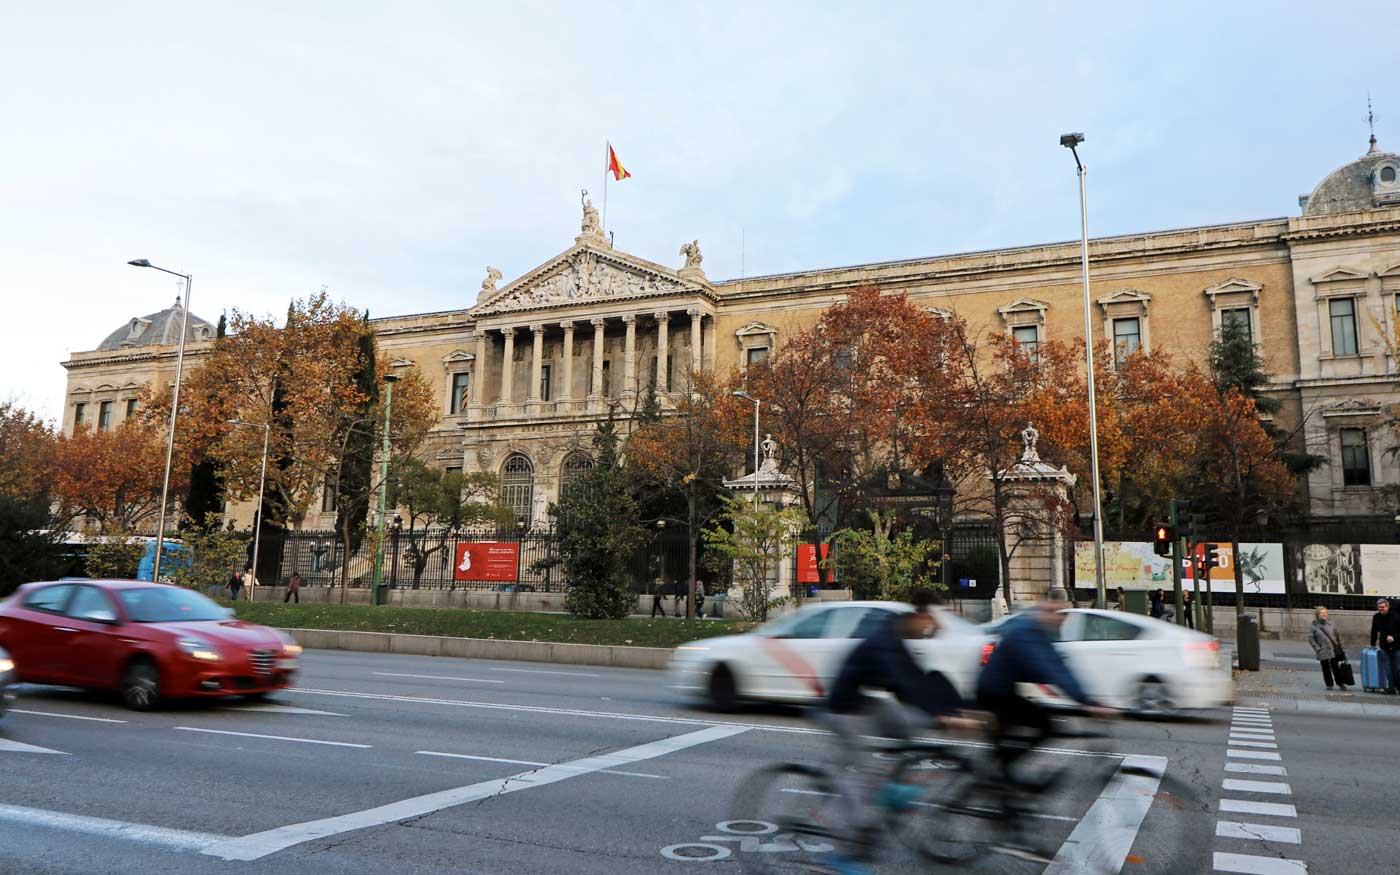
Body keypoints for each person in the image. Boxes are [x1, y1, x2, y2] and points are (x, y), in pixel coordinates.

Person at [822, 590, 972, 875]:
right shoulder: (885, 642)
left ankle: (890, 783)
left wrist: (954, 712)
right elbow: (903, 683)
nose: (933, 630)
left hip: (864, 701)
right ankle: (842, 854)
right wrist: (944, 717)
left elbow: (917, 680)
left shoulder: (898, 636)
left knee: (910, 722)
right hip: (842, 711)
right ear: (919, 616)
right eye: (931, 623)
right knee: (862, 778)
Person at [977, 593, 1112, 785]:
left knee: (1025, 727)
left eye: (1063, 614)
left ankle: (1000, 773)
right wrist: (1086, 702)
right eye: (1054, 612)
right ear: (1043, 611)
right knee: (1044, 725)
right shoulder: (1027, 633)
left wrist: (1088, 700)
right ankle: (997, 772)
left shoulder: (1038, 633)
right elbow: (1051, 670)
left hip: (1003, 690)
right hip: (993, 693)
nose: (1060, 619)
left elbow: (1059, 667)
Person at [1309, 607, 1350, 691]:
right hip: (1323, 650)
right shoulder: (1313, 626)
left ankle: (1340, 683)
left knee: (1336, 667)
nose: (1324, 614)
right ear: (1317, 615)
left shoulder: (1331, 624)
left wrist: (1342, 648)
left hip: (1333, 649)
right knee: (1325, 668)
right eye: (1321, 613)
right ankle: (1329, 684)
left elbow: (1338, 637)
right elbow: (1311, 639)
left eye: (1325, 612)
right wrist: (1317, 648)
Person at [1370, 598, 1400, 694]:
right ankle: (1391, 687)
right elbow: (1374, 631)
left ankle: (1398, 687)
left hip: (1397, 646)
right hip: (1384, 645)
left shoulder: (1396, 616)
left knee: (1397, 668)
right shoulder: (1376, 617)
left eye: (1383, 607)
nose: (1381, 609)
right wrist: (1372, 643)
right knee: (1387, 668)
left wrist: (1394, 637)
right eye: (1379, 607)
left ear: (1387, 606)